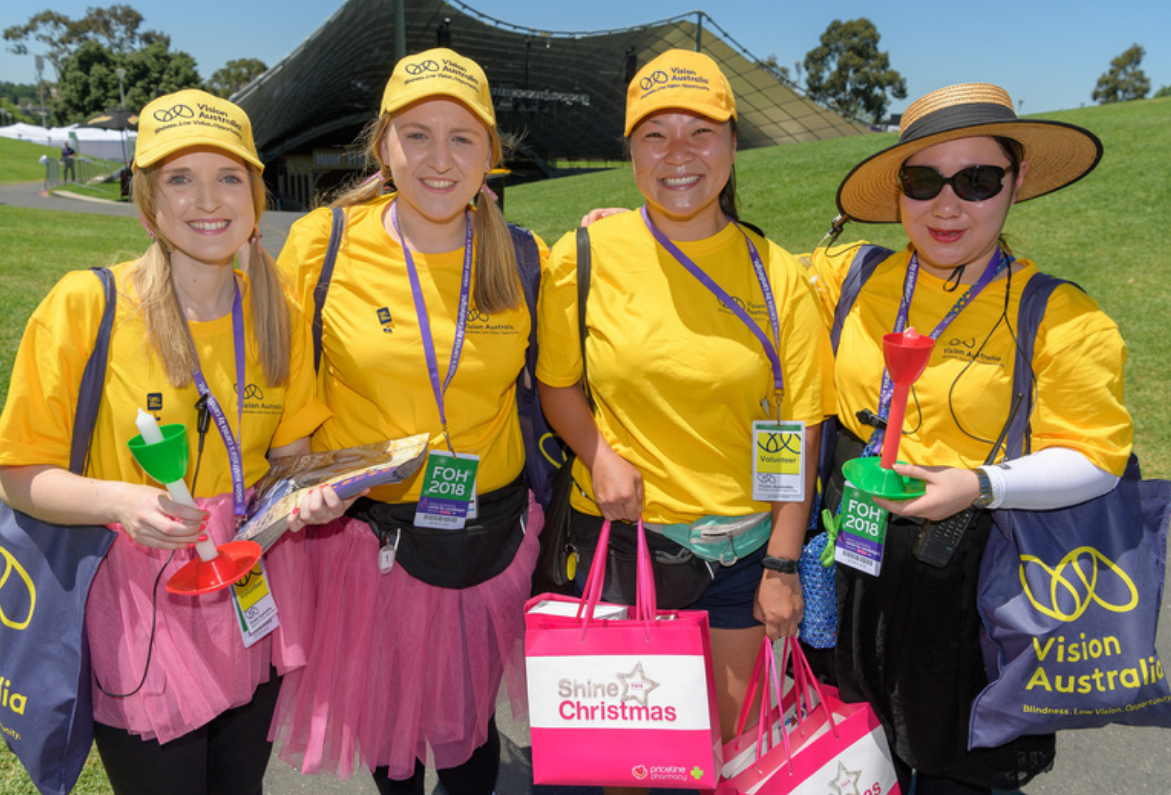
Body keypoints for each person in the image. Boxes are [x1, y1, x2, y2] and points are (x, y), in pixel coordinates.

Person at [0, 88, 351, 795]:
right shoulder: (86, 305)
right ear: (148, 202)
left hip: (246, 585)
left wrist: (309, 496)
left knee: (239, 784)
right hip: (136, 600)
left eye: (228, 177)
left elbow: (289, 459)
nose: (206, 200)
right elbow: (17, 474)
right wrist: (120, 501)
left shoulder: (276, 311)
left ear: (256, 195)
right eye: (178, 180)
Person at [805, 83, 1132, 795]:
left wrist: (981, 485)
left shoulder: (1058, 315)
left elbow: (1097, 458)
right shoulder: (850, 275)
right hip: (851, 556)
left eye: (976, 180)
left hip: (968, 575)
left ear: (1013, 185)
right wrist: (634, 230)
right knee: (849, 757)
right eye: (924, 181)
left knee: (956, 772)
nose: (946, 206)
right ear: (898, 191)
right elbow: (749, 286)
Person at [537, 49, 835, 794]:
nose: (678, 156)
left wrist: (781, 565)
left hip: (744, 558)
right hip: (626, 546)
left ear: (733, 146)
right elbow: (557, 384)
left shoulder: (777, 273)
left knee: (734, 760)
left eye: (700, 133)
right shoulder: (581, 254)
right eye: (654, 136)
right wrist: (596, 450)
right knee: (631, 768)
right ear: (630, 152)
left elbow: (800, 429)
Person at [268, 48, 547, 795]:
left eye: (462, 137)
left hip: (487, 540)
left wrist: (617, 233)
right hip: (368, 543)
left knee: (465, 734)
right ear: (383, 145)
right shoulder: (321, 244)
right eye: (416, 134)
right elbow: (281, 384)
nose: (438, 158)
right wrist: (301, 480)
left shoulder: (524, 258)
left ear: (490, 152)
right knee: (390, 738)